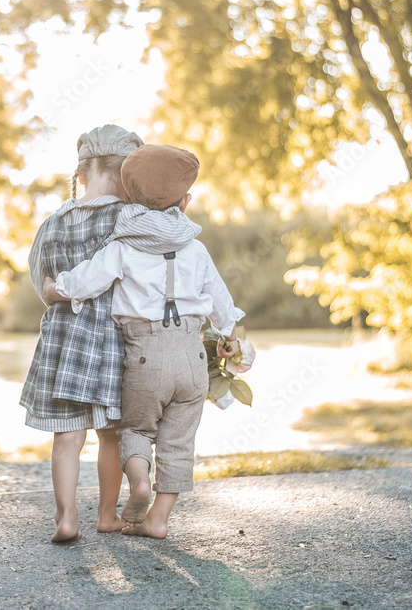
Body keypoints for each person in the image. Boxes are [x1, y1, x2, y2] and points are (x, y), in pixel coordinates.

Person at [43, 144, 245, 539]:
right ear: (185, 202)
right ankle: (158, 517)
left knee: (135, 431)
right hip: (189, 357)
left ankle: (139, 480)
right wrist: (230, 338)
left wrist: (55, 288)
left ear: (129, 198)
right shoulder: (197, 249)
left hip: (144, 357)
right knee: (179, 441)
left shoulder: (123, 246)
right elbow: (221, 301)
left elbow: (86, 279)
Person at [21, 127, 199, 542]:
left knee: (66, 436)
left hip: (63, 343)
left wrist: (57, 294)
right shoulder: (131, 218)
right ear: (130, 177)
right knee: (111, 436)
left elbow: (43, 285)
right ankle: (106, 514)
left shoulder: (50, 224)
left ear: (82, 174)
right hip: (118, 340)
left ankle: (66, 519)